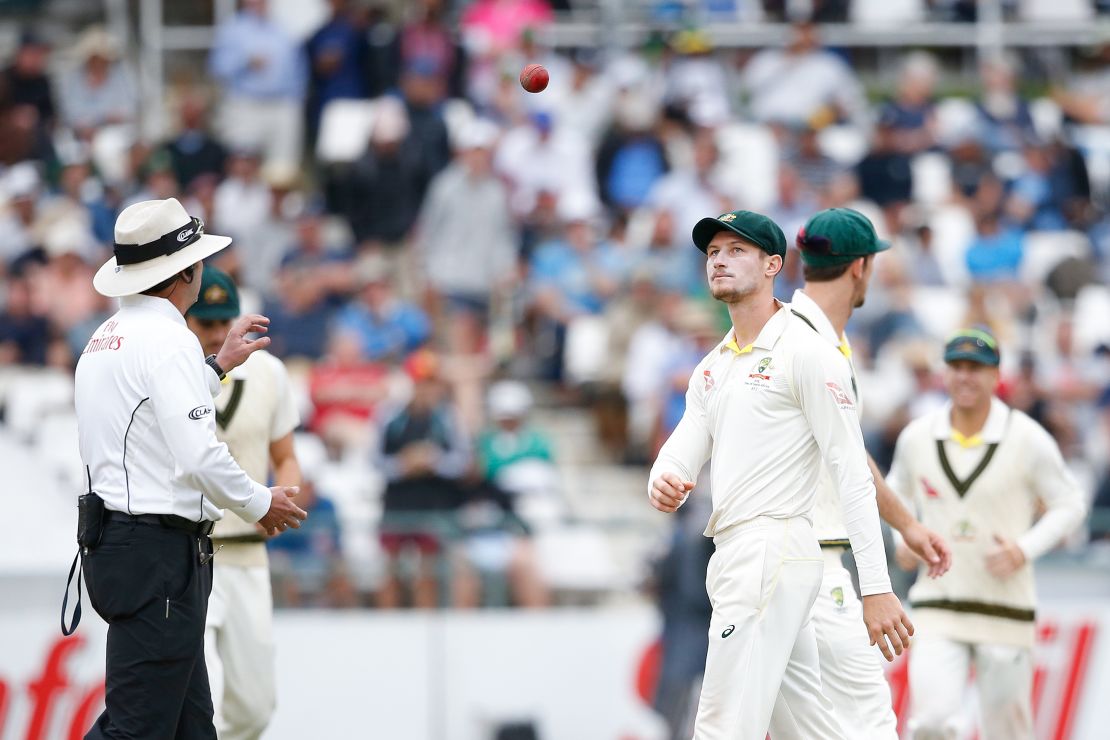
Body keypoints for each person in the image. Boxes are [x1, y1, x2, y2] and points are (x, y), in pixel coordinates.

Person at [648, 209, 912, 739]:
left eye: (736, 251)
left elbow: (850, 470)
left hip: (773, 547)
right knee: (814, 731)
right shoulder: (715, 365)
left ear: (774, 265)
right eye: (713, 252)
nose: (719, 260)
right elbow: (686, 444)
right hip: (740, 553)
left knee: (721, 725)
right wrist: (665, 474)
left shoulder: (807, 352)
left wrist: (877, 588)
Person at [74, 197, 307, 739]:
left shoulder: (105, 338)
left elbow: (152, 418)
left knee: (190, 727)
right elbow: (197, 454)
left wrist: (217, 365)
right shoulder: (169, 341)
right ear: (184, 272)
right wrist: (259, 502)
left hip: (124, 545)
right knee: (138, 729)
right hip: (159, 554)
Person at [773, 208, 953, 738]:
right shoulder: (813, 346)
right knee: (872, 729)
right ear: (862, 267)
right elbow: (850, 464)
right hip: (817, 571)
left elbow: (849, 454)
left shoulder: (795, 333)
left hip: (772, 572)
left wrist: (909, 525)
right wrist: (878, 583)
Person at [888, 328, 1087, 739]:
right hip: (937, 605)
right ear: (944, 373)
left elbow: (1070, 503)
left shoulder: (1027, 438)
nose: (965, 377)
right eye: (957, 367)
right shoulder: (918, 436)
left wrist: (1024, 549)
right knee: (931, 724)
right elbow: (895, 494)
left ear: (996, 375)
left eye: (976, 368)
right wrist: (903, 541)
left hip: (1005, 609)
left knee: (1008, 732)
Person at [185, 267, 300, 740]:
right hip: (192, 550)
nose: (215, 333)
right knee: (197, 699)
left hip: (249, 552)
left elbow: (286, 457)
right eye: (205, 322)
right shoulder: (176, 371)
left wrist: (285, 500)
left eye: (223, 322)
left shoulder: (270, 372)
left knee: (254, 708)